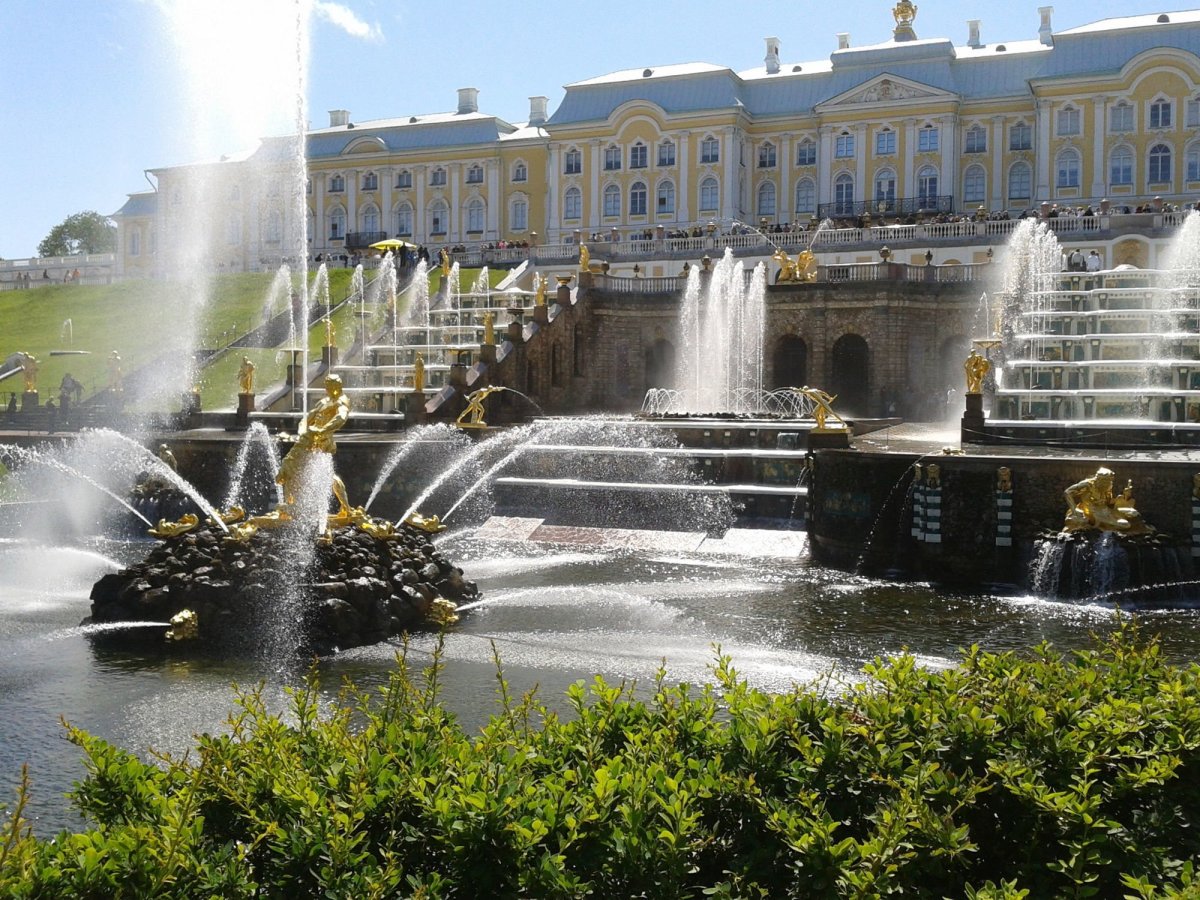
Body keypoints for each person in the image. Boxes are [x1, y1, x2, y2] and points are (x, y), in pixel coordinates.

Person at [275, 374, 352, 515]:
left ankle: (344, 506)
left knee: (293, 465)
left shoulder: (342, 401)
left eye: (329, 386)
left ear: (337, 386)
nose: (327, 389)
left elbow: (340, 418)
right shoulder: (323, 401)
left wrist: (323, 430)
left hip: (323, 440)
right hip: (309, 438)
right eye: (326, 386)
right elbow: (307, 418)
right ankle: (292, 504)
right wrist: (303, 431)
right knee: (293, 466)